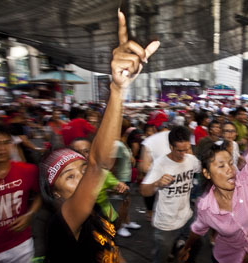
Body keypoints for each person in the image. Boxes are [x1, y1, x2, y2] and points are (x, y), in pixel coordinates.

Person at [39, 11, 160, 262]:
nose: (83, 177)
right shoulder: (62, 225)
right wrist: (117, 88)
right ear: (56, 194)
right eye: (70, 176)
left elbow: (111, 251)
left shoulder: (96, 213)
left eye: (82, 169)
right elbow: (98, 165)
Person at [178, 61, 248, 263]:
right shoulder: (206, 206)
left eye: (230, 163)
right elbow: (197, 229)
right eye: (221, 165)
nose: (230, 170)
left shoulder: (247, 181)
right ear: (207, 174)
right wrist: (186, 248)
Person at [0, 124, 42, 263]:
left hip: (21, 245)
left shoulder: (28, 170)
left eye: (6, 143)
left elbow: (40, 194)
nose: (0, 148)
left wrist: (30, 215)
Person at [140, 126, 201, 263]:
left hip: (186, 217)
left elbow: (203, 168)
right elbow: (144, 191)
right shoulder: (160, 164)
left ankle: (179, 248)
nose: (183, 154)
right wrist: (157, 183)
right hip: (165, 223)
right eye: (179, 150)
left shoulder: (191, 159)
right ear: (170, 146)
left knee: (193, 246)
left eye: (186, 149)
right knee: (161, 257)